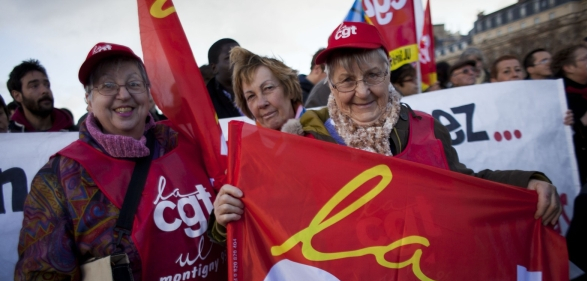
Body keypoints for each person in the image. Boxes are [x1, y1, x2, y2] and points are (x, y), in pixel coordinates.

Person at [10, 43, 231, 281]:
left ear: (148, 94)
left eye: (134, 84)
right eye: (107, 86)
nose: (122, 95)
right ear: (88, 99)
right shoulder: (61, 177)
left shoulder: (189, 145)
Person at [213, 22, 561, 234]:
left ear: (388, 73)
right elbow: (277, 217)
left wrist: (526, 183)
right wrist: (225, 220)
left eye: (372, 76)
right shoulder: (307, 142)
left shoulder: (426, 128)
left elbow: (466, 187)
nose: (362, 91)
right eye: (347, 80)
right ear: (331, 87)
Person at [552, 44, 587, 184]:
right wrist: (585, 120)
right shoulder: (558, 97)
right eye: (586, 58)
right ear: (569, 68)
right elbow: (557, 139)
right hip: (586, 169)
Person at [230, 47, 303, 131]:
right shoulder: (243, 143)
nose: (261, 103)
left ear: (290, 89)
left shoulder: (319, 132)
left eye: (268, 88)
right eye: (251, 96)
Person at [6, 59, 76, 132]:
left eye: (47, 85)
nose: (45, 90)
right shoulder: (7, 136)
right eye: (34, 86)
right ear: (17, 96)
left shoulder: (76, 134)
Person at [206, 38, 242, 118]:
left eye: (241, 55)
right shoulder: (205, 102)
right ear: (214, 68)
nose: (239, 60)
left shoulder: (260, 89)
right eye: (230, 57)